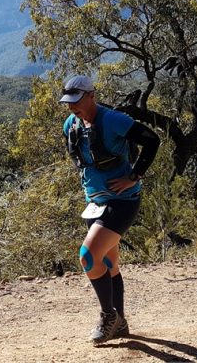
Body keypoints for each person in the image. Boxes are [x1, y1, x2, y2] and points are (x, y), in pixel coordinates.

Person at [60, 75, 160, 345]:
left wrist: (135, 175)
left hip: (122, 201)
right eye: (69, 103)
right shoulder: (71, 124)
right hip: (94, 204)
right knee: (108, 263)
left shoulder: (113, 120)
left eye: (77, 101)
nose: (72, 107)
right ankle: (121, 322)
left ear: (92, 95)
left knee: (88, 258)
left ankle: (108, 316)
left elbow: (152, 140)